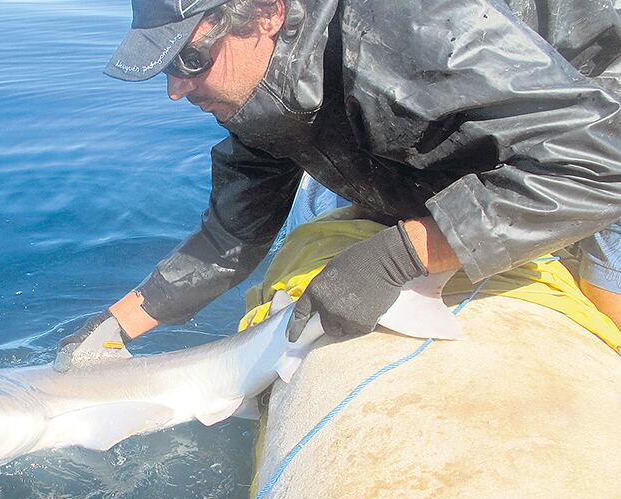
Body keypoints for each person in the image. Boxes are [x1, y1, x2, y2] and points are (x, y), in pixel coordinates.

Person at [57, 0, 621, 369]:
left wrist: (395, 259)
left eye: (190, 58)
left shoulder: (419, 32)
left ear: (266, 14)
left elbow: (601, 165)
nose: (177, 90)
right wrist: (115, 327)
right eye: (166, 69)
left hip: (594, 122)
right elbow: (234, 235)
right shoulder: (253, 93)